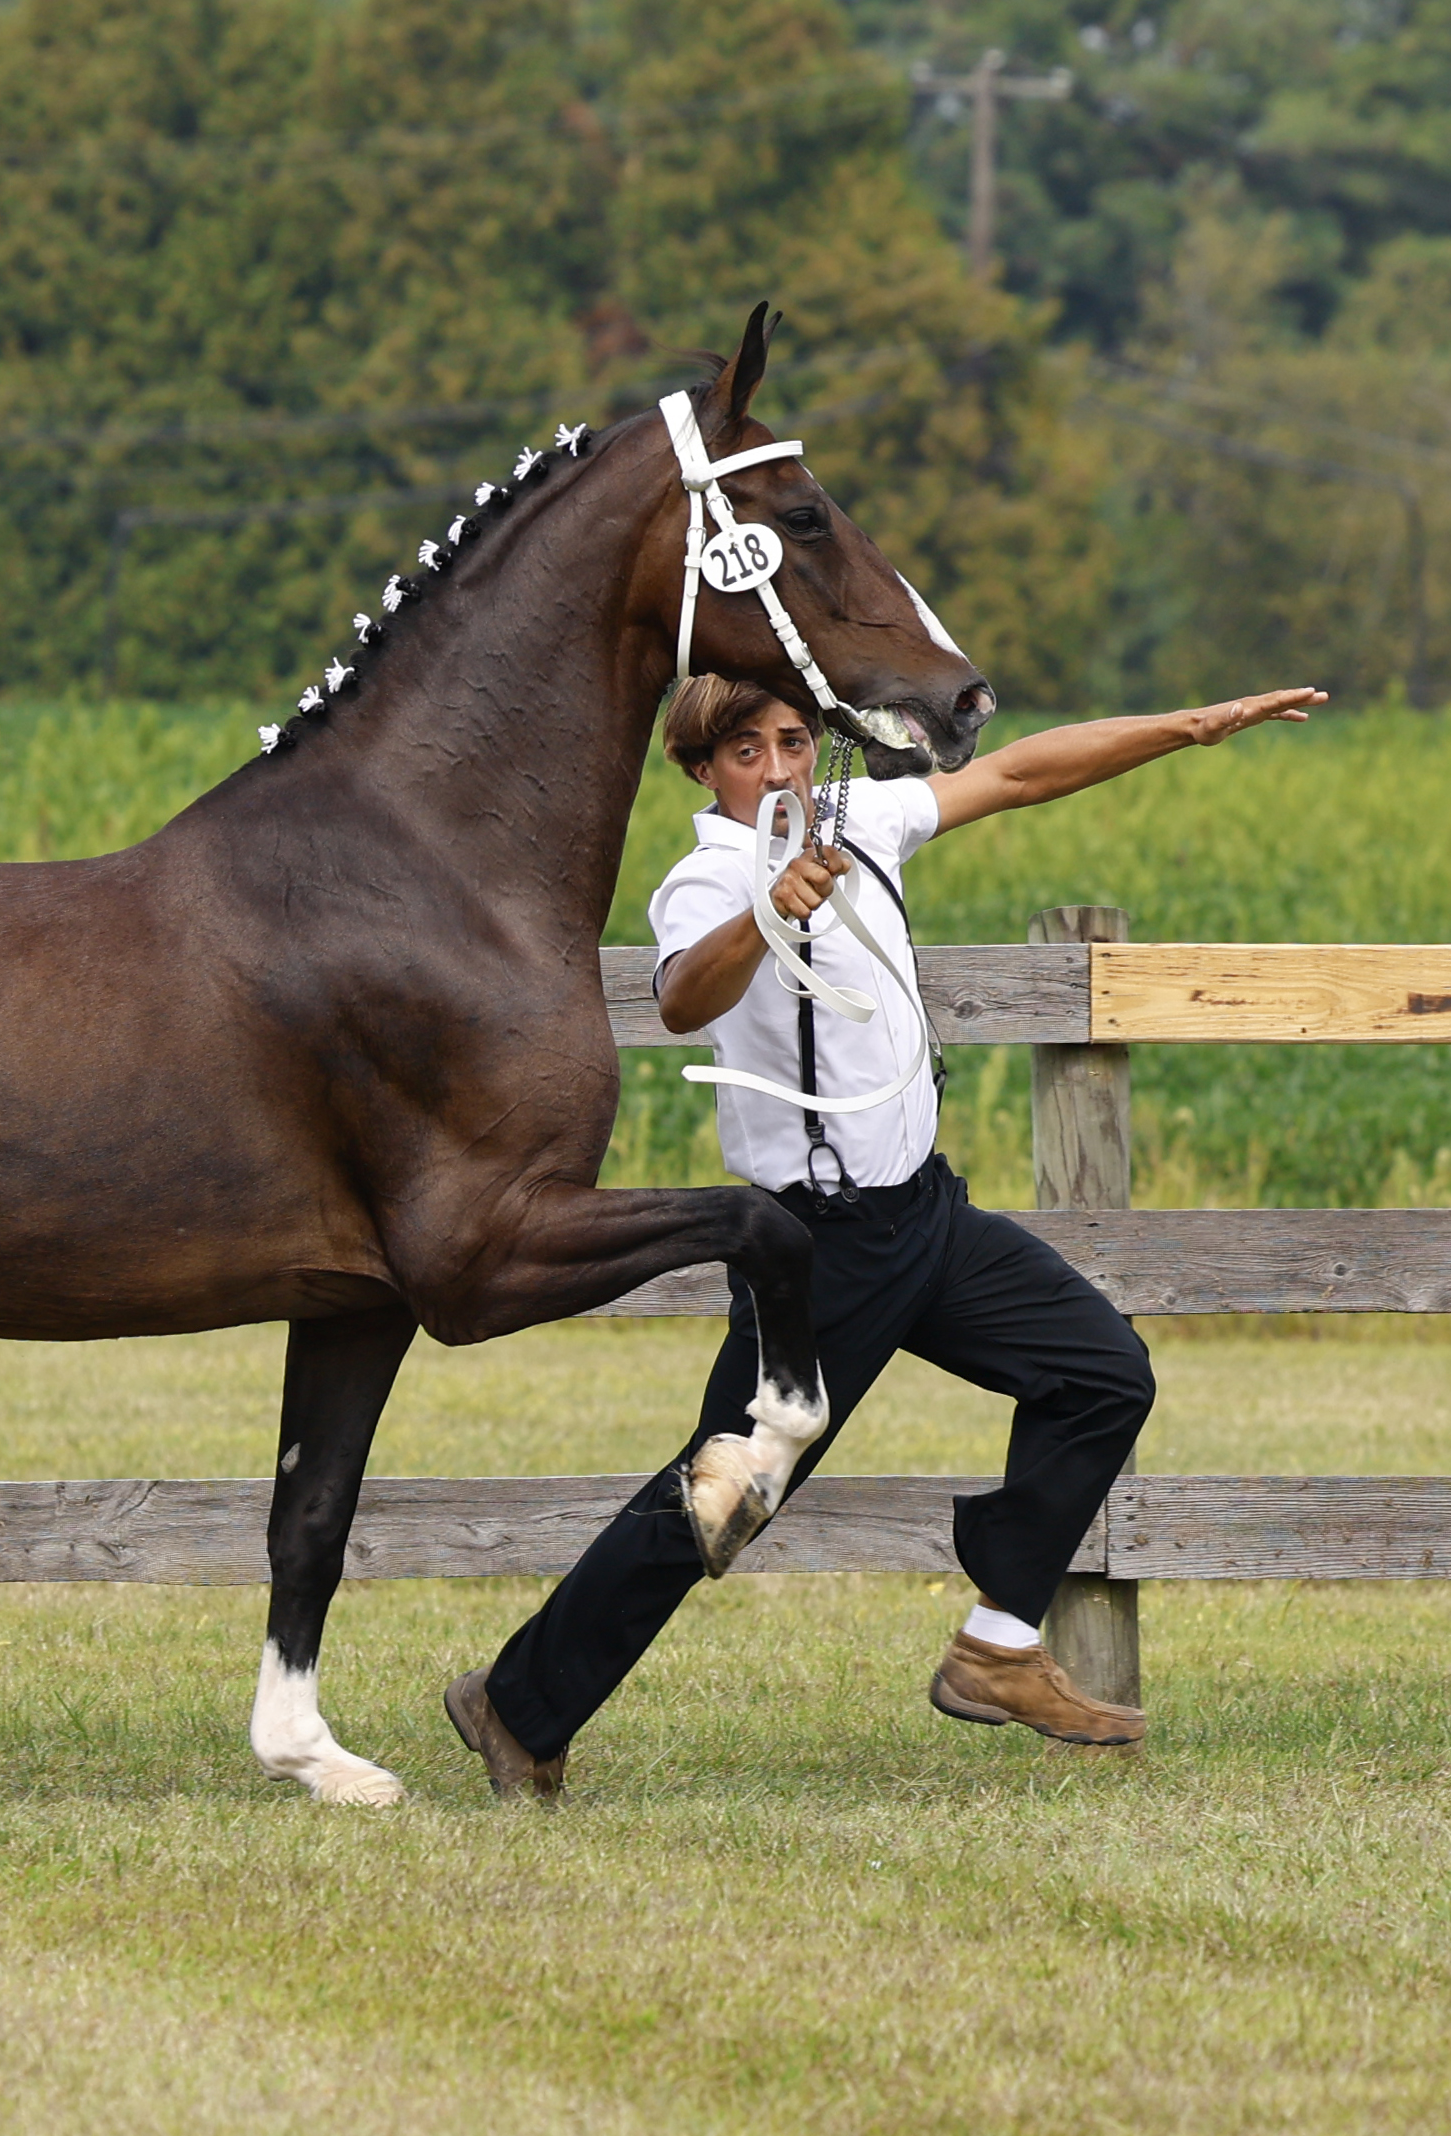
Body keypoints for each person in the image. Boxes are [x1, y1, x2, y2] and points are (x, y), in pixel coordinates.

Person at [446, 672, 1328, 1797]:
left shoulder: (861, 820)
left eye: (792, 741)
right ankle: (516, 1706)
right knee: (730, 1491)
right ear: (703, 768)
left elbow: (1016, 772)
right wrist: (772, 911)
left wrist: (1193, 723)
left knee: (1103, 1370)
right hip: (814, 1250)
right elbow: (679, 999)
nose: (779, 768)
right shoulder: (707, 875)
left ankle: (997, 1646)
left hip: (926, 1212)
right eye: (748, 750)